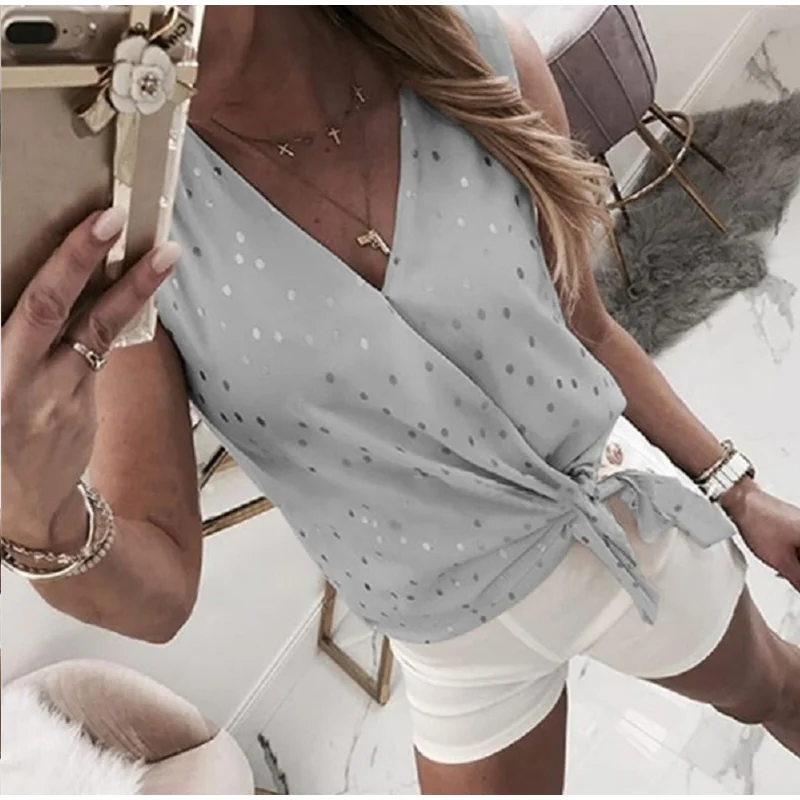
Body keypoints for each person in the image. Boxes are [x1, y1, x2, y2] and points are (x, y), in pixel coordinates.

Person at [2, 6, 799, 794]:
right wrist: (37, 516)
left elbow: (586, 326)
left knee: (779, 691)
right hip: (453, 645)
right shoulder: (129, 232)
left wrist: (738, 490)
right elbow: (161, 598)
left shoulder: (476, 55)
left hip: (623, 530)